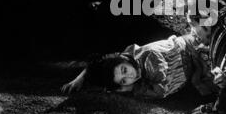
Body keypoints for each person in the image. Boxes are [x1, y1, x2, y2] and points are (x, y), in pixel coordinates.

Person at [61, 33, 217, 99]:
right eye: (123, 80)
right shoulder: (124, 60)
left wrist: (131, 89)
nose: (129, 76)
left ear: (124, 59)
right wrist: (79, 79)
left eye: (124, 71)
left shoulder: (151, 61)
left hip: (192, 52)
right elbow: (99, 64)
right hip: (185, 61)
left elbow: (162, 91)